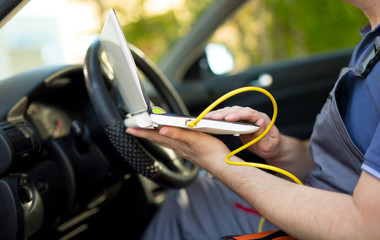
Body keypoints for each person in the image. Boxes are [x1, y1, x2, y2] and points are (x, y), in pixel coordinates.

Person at [127, 0, 380, 239]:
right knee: (197, 195)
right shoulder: (371, 45)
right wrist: (279, 149)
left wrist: (218, 162)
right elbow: (339, 168)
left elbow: (366, 228)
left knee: (189, 206)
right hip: (322, 203)